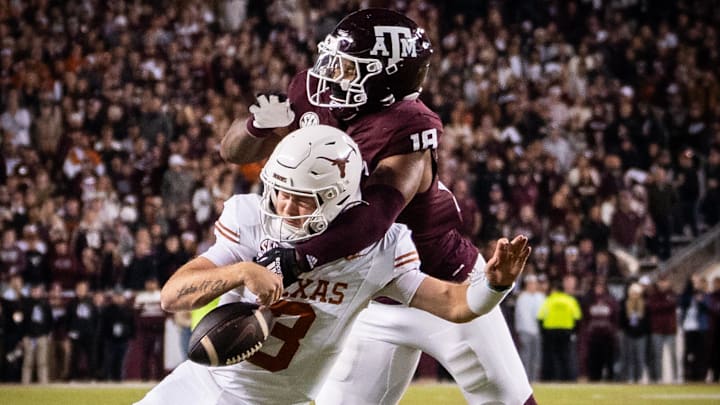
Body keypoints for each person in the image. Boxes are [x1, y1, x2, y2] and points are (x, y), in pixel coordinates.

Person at [220, 8, 534, 404]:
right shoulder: (311, 93)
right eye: (333, 62)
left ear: (389, 78)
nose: (332, 76)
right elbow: (230, 152)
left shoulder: (409, 126)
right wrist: (256, 126)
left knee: (506, 400)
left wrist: (296, 259)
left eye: (349, 69)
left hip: (442, 284)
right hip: (370, 292)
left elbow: (374, 218)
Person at [136, 125, 530, 404]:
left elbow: (454, 304)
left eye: (303, 199)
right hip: (196, 387)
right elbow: (172, 297)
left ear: (339, 197)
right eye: (281, 193)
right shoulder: (250, 218)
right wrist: (239, 271)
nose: (286, 208)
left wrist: (494, 284)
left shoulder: (379, 248)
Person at [537, 276, 582, 381]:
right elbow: (577, 317)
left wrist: (544, 332)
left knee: (551, 357)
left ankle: (551, 377)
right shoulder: (570, 300)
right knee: (566, 356)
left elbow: (540, 317)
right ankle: (568, 378)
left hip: (550, 332)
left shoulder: (549, 300)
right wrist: (573, 331)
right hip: (566, 331)